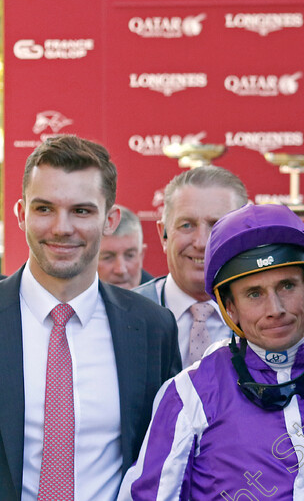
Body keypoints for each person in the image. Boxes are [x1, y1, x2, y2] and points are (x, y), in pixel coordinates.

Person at [119, 203, 304, 500]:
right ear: (230, 308)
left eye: (287, 286)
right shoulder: (189, 394)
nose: (275, 309)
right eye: (254, 294)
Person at [0, 135, 181, 500]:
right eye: (44, 209)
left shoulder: (152, 328)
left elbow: (167, 459)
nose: (62, 227)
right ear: (21, 214)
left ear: (109, 220)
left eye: (81, 211)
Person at [134, 166, 248, 366]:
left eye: (217, 225)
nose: (201, 242)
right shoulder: (125, 315)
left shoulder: (267, 318)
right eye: (187, 225)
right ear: (164, 234)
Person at [98, 205, 153, 289]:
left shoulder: (159, 299)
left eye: (130, 255)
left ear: (141, 255)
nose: (121, 270)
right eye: (107, 257)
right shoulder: (72, 297)